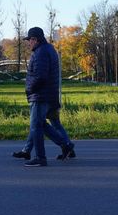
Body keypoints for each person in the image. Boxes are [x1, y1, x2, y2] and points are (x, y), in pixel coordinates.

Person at [14, 27, 75, 167]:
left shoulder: (40, 53)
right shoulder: (48, 49)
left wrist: (29, 88)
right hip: (48, 94)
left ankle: (40, 157)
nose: (28, 43)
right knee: (40, 124)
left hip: (40, 95)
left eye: (29, 40)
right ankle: (65, 145)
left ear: (35, 39)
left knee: (36, 126)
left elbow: (40, 76)